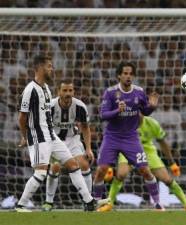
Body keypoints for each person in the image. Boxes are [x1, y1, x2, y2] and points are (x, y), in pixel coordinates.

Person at [16, 55, 105, 212]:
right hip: (39, 136)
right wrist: (25, 136)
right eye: (49, 66)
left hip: (51, 135)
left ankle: (89, 202)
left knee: (72, 164)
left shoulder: (46, 90)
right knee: (41, 172)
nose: (52, 69)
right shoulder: (30, 90)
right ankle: (21, 205)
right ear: (41, 68)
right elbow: (22, 117)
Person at [91, 62, 163, 210]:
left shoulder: (139, 92)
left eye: (130, 73)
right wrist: (117, 110)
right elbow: (103, 115)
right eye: (125, 73)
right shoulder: (110, 92)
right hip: (112, 137)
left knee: (145, 171)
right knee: (101, 171)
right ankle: (94, 203)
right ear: (119, 75)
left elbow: (145, 112)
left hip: (131, 138)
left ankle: (157, 203)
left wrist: (152, 107)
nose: (128, 76)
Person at [97, 115, 186, 212]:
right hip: (128, 148)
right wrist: (109, 165)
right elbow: (113, 144)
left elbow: (163, 143)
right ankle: (109, 204)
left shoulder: (152, 123)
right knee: (121, 174)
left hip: (148, 151)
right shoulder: (124, 123)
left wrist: (172, 163)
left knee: (167, 179)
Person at [41, 79, 94, 211]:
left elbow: (86, 127)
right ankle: (49, 202)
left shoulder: (80, 106)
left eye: (70, 90)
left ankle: (88, 200)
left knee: (84, 164)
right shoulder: (50, 106)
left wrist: (88, 148)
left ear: (73, 91)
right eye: (64, 90)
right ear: (58, 92)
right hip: (55, 140)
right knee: (55, 167)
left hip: (73, 139)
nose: (68, 93)